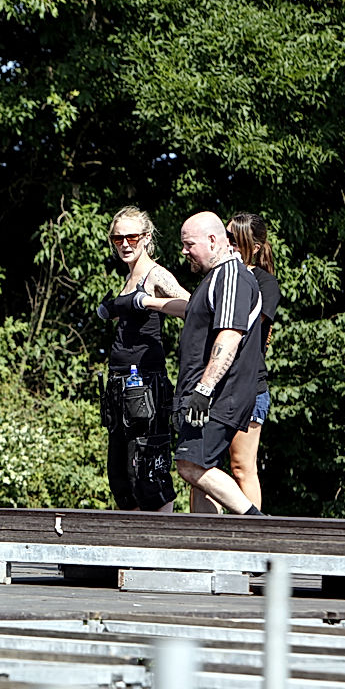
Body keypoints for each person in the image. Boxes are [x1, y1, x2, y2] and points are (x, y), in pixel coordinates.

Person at [143, 211, 264, 515]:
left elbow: (230, 335)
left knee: (190, 464)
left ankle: (259, 523)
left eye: (189, 244)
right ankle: (206, 542)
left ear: (212, 241)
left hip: (221, 394)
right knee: (199, 473)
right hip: (204, 394)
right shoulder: (214, 278)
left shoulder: (232, 276)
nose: (184, 251)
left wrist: (204, 390)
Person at [95, 207, 190, 512]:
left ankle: (161, 538)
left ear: (146, 238)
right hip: (119, 384)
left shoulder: (155, 274)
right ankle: (132, 539)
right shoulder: (129, 276)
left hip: (145, 385)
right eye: (118, 238)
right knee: (121, 477)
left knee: (149, 472)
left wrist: (147, 301)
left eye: (132, 237)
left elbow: (192, 307)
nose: (125, 244)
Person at [225, 212, 281, 510]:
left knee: (241, 467)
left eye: (234, 239)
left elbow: (244, 327)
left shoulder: (265, 283)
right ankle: (201, 533)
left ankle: (253, 531)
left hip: (248, 386)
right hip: (214, 385)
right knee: (199, 467)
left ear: (255, 247)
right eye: (225, 236)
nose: (227, 243)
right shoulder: (219, 276)